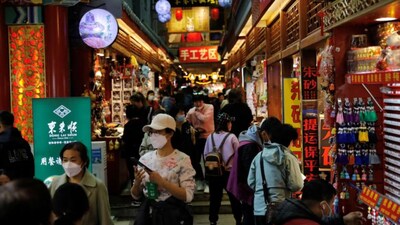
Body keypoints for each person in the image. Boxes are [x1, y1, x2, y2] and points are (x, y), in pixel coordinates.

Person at [131, 114, 196, 225]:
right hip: (149, 215)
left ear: (170, 133)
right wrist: (137, 183)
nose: (153, 136)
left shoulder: (183, 159)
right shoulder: (145, 159)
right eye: (151, 132)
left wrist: (162, 182)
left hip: (172, 216)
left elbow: (188, 195)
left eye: (158, 132)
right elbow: (135, 195)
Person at [227, 117, 282, 225]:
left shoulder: (252, 140)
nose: (271, 140)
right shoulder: (250, 146)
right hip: (247, 190)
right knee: (249, 217)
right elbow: (250, 174)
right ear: (264, 133)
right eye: (271, 136)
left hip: (249, 189)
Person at [248, 123, 304, 225]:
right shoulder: (288, 157)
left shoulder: (259, 156)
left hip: (259, 208)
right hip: (281, 208)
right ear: (290, 141)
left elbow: (251, 182)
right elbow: (296, 185)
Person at [49, 142, 114, 225]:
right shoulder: (55, 183)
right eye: (65, 160)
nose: (68, 164)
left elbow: (105, 219)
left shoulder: (97, 186)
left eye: (73, 160)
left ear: (84, 161)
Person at [204, 112, 242, 225]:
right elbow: (238, 155)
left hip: (213, 173)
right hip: (228, 173)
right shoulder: (232, 137)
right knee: (234, 198)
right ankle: (238, 220)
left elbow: (205, 154)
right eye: (229, 122)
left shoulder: (210, 136)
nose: (231, 124)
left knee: (214, 199)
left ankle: (213, 220)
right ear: (226, 124)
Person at [273, 179, 365, 225]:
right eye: (331, 203)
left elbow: (323, 221)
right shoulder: (304, 222)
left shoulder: (293, 210)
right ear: (323, 205)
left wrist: (343, 220)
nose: (331, 208)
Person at [186, 91, 214, 191]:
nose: (198, 104)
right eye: (195, 102)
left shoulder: (209, 107)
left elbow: (205, 119)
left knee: (208, 160)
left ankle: (208, 182)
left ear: (202, 101)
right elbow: (186, 121)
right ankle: (199, 180)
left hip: (208, 137)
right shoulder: (191, 111)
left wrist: (196, 112)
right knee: (195, 160)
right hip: (196, 138)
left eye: (199, 102)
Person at [122, 92, 152, 185]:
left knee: (133, 173)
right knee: (143, 172)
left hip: (132, 152)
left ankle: (135, 190)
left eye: (133, 103)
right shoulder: (142, 123)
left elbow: (125, 139)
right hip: (142, 150)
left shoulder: (129, 125)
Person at [0, 110, 34, 185]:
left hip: (5, 189)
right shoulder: (23, 142)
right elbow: (30, 167)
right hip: (25, 187)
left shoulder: (2, 143)